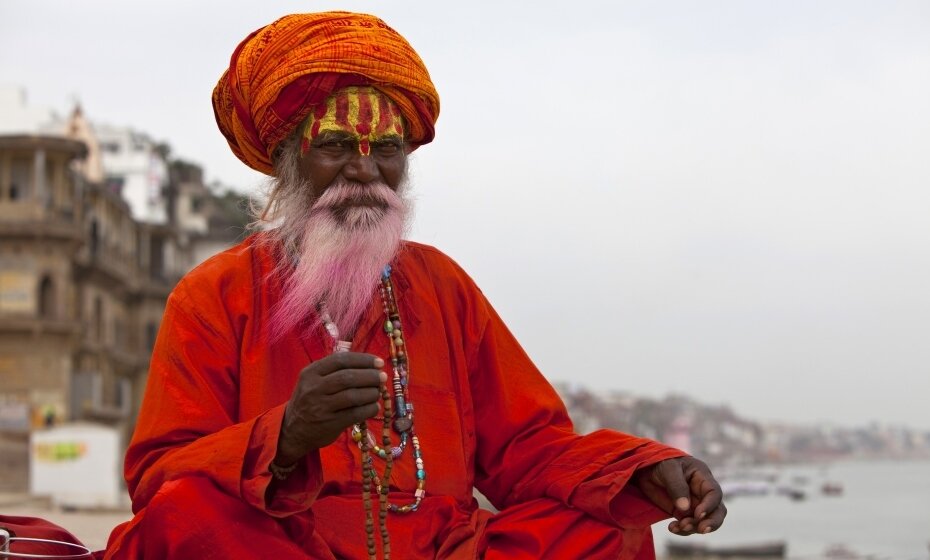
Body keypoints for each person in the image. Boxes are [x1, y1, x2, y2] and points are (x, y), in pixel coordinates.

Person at [102, 11, 725, 560]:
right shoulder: (217, 293)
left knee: (603, 527)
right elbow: (160, 477)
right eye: (337, 145)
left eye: (389, 149)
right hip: (282, 544)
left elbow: (530, 447)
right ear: (288, 159)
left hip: (441, 549)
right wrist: (285, 436)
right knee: (185, 518)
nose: (366, 170)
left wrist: (644, 469)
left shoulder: (442, 286)